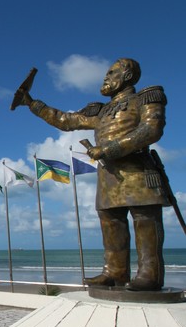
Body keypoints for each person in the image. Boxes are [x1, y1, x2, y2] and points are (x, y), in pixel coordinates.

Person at [19, 58, 168, 290]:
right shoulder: (102, 112)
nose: (105, 78)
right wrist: (32, 104)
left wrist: (109, 149)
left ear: (127, 76)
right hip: (109, 176)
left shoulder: (144, 98)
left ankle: (150, 274)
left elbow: (151, 129)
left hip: (138, 171)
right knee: (111, 223)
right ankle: (115, 272)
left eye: (111, 73)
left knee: (145, 222)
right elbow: (65, 121)